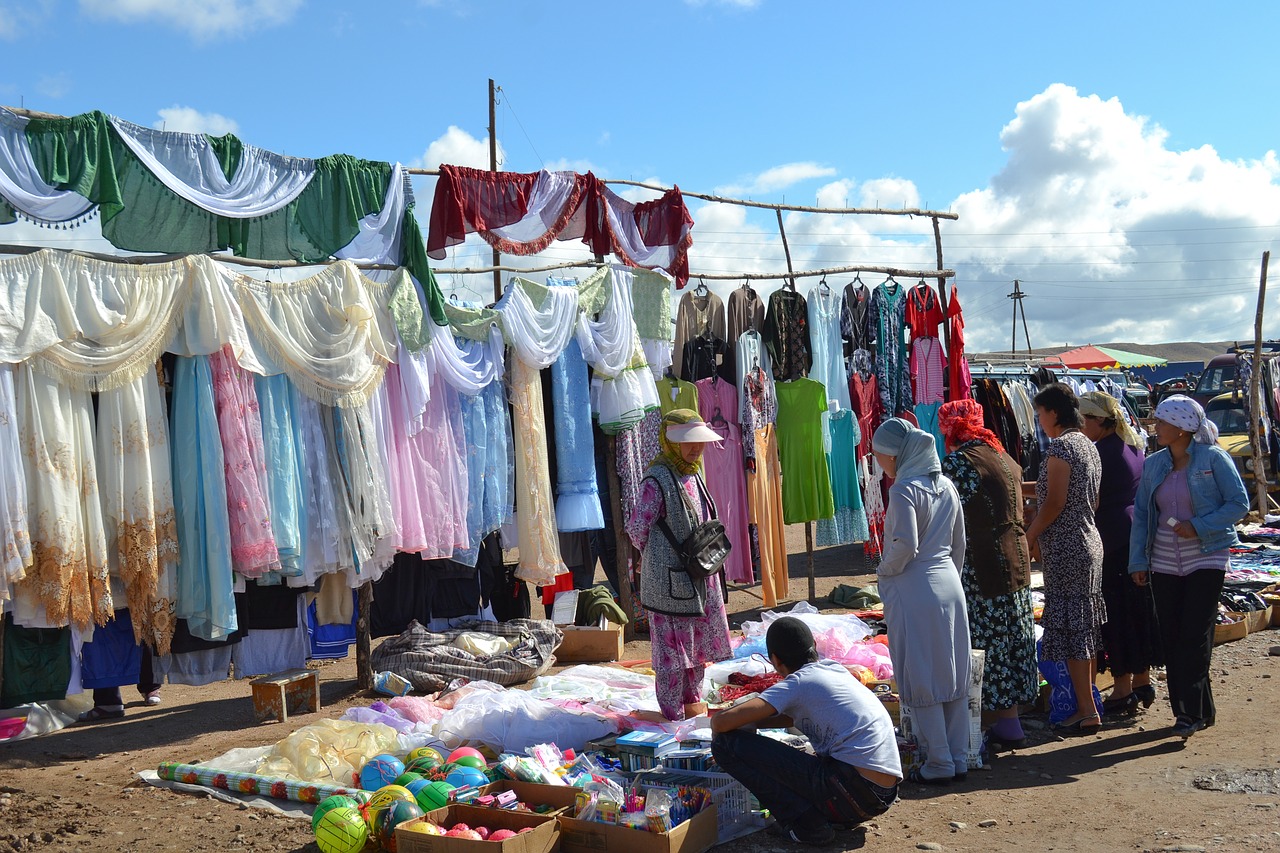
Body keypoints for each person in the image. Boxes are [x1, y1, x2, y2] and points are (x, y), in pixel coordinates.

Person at [711, 616, 901, 846]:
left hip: (850, 791)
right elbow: (789, 717)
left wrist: (735, 720)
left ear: (775, 660)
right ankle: (823, 817)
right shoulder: (833, 670)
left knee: (725, 744)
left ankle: (807, 824)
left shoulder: (798, 682)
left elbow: (720, 724)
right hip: (879, 796)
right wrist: (752, 721)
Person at [1129, 395, 1248, 739]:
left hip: (1207, 557)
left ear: (1182, 429)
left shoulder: (1214, 459)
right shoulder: (1153, 464)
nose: (1157, 427)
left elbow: (1238, 503)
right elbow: (1141, 515)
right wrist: (1138, 560)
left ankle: (1187, 714)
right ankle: (1200, 710)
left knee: (1194, 636)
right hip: (1163, 562)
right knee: (1172, 636)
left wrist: (1199, 525)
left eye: (1162, 422)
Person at [871, 418, 971, 784]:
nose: (880, 461)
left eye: (882, 455)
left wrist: (884, 570)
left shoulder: (903, 490)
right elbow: (959, 543)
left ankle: (939, 761)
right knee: (952, 671)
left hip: (915, 587)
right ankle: (959, 757)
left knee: (922, 672)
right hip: (948, 584)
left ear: (896, 456)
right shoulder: (946, 485)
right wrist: (949, 578)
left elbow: (905, 545)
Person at [937, 399, 1038, 749]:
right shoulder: (1003, 455)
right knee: (1011, 637)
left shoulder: (959, 463)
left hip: (983, 563)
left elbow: (943, 514)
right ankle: (1010, 723)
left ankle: (993, 723)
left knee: (987, 642)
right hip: (1015, 558)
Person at [625, 409, 733, 721]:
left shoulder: (692, 472)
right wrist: (661, 556)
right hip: (669, 583)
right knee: (672, 655)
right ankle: (672, 715)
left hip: (696, 577)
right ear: (670, 442)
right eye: (688, 441)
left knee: (696, 650)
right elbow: (636, 528)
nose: (696, 447)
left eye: (699, 441)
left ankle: (692, 708)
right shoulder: (657, 479)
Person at [1024, 382, 1106, 734]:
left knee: (1075, 634)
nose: (1039, 420)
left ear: (1053, 413)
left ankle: (1086, 710)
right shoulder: (1087, 444)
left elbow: (1054, 502)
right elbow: (1086, 498)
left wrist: (1029, 535)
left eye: (1040, 413)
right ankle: (1087, 707)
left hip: (1069, 549)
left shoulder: (1060, 447)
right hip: (1087, 543)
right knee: (1083, 631)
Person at [1078, 391, 1160, 716]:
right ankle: (1142, 681)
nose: (1080, 427)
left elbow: (1089, 498)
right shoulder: (1133, 445)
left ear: (1098, 421)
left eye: (1083, 420)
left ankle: (1123, 690)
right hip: (1135, 536)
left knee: (1118, 615)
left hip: (1112, 539)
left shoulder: (1101, 453)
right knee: (1138, 610)